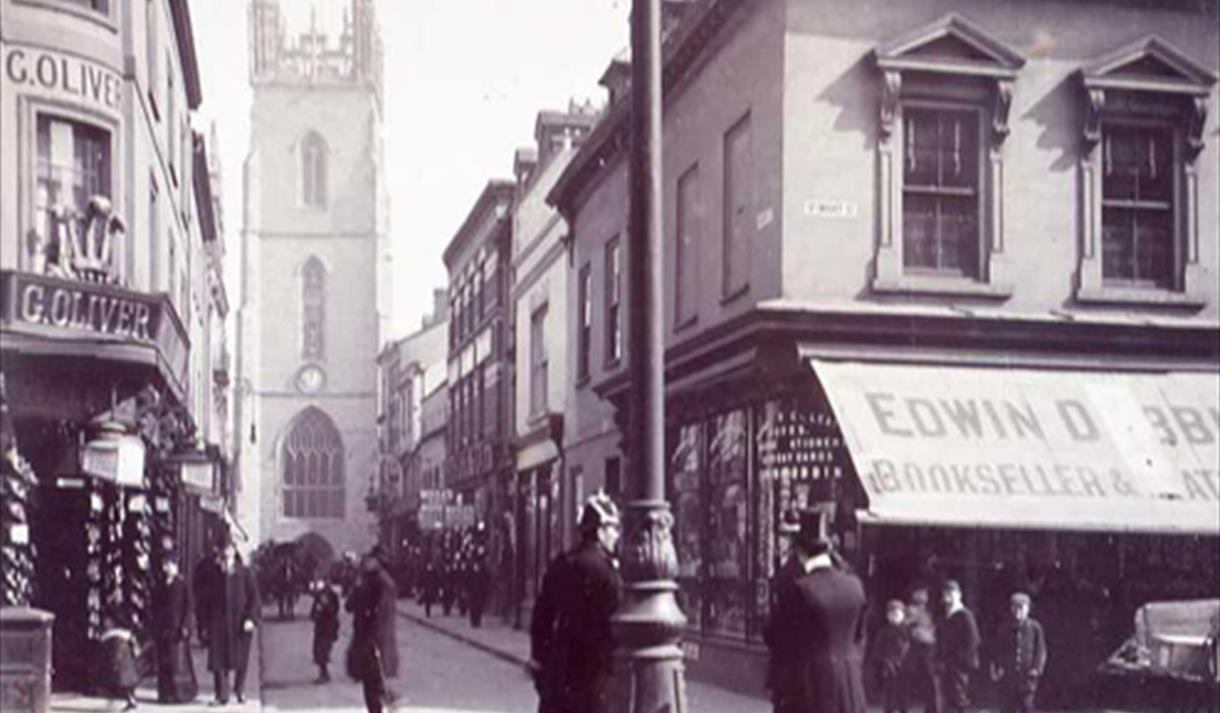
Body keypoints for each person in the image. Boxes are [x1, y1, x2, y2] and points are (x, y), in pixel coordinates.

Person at [762, 507, 868, 713]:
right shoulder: (855, 586)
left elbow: (774, 636)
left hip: (809, 690)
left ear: (800, 551)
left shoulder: (799, 589)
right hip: (850, 689)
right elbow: (859, 637)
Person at [529, 493, 622, 713]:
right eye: (613, 529)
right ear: (600, 531)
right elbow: (615, 626)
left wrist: (540, 662)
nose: (616, 535)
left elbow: (540, 618)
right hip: (594, 677)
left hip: (560, 673)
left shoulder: (561, 564)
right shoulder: (608, 574)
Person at [346, 546, 400, 713]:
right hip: (367, 635)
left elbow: (383, 613)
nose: (368, 563)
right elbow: (350, 605)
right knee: (371, 680)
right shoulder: (367, 580)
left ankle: (386, 701)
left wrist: (375, 635)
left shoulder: (381, 583)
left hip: (372, 637)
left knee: (373, 680)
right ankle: (385, 700)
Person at [206, 542, 260, 705]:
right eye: (224, 550)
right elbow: (205, 597)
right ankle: (221, 694)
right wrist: (204, 620)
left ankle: (239, 689)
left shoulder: (244, 572)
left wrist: (251, 618)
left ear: (234, 552)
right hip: (219, 622)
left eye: (229, 550)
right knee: (218, 659)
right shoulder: (214, 572)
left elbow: (254, 597)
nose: (226, 554)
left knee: (241, 659)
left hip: (240, 622)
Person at [989, 592, 1047, 713]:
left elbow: (1040, 650)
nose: (1018, 611)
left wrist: (1036, 668)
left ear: (1028, 609)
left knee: (1027, 705)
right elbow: (998, 650)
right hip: (1009, 676)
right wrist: (998, 666)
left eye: (1021, 608)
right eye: (1015, 607)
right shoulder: (1004, 628)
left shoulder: (1035, 628)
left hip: (1027, 676)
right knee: (1007, 706)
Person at [154, 557, 197, 703]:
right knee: (164, 662)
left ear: (175, 566)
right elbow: (155, 605)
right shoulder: (160, 584)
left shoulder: (182, 584)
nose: (166, 568)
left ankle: (181, 694)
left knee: (178, 663)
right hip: (163, 629)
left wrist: (185, 626)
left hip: (178, 629)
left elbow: (189, 606)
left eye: (169, 565)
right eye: (164, 565)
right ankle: (165, 694)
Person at [937, 580, 981, 713]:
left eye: (951, 592)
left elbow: (973, 640)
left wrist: (961, 659)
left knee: (960, 697)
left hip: (961, 665)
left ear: (959, 595)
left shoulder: (965, 615)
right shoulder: (944, 616)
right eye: (945, 593)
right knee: (948, 697)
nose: (948, 596)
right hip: (947, 663)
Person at [870, 599, 912, 713]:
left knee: (903, 694)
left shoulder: (907, 631)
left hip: (904, 666)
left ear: (903, 615)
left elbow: (910, 647)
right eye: (891, 614)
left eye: (897, 614)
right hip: (888, 666)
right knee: (889, 694)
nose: (894, 617)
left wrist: (906, 661)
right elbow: (878, 649)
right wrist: (884, 661)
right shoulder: (883, 631)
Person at [904, 586, 940, 713]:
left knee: (931, 680)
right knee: (911, 679)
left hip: (929, 646)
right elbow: (905, 624)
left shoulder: (930, 610)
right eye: (919, 593)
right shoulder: (911, 610)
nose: (922, 596)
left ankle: (932, 708)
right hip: (916, 646)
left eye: (925, 593)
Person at [100, 615, 140, 711]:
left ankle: (130, 698)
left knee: (122, 674)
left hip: (117, 639)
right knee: (126, 674)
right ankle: (130, 697)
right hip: (123, 638)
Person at [310, 578, 341, 683]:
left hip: (328, 626)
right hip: (320, 627)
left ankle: (324, 675)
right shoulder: (319, 595)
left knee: (323, 650)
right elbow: (314, 609)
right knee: (318, 651)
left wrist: (326, 607)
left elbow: (335, 610)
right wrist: (314, 615)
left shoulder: (332, 595)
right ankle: (323, 673)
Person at [193, 549, 221, 646]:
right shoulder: (217, 567)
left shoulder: (202, 565)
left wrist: (197, 592)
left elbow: (195, 580)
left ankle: (203, 637)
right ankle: (209, 638)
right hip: (213, 596)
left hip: (203, 596)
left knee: (202, 618)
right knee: (210, 618)